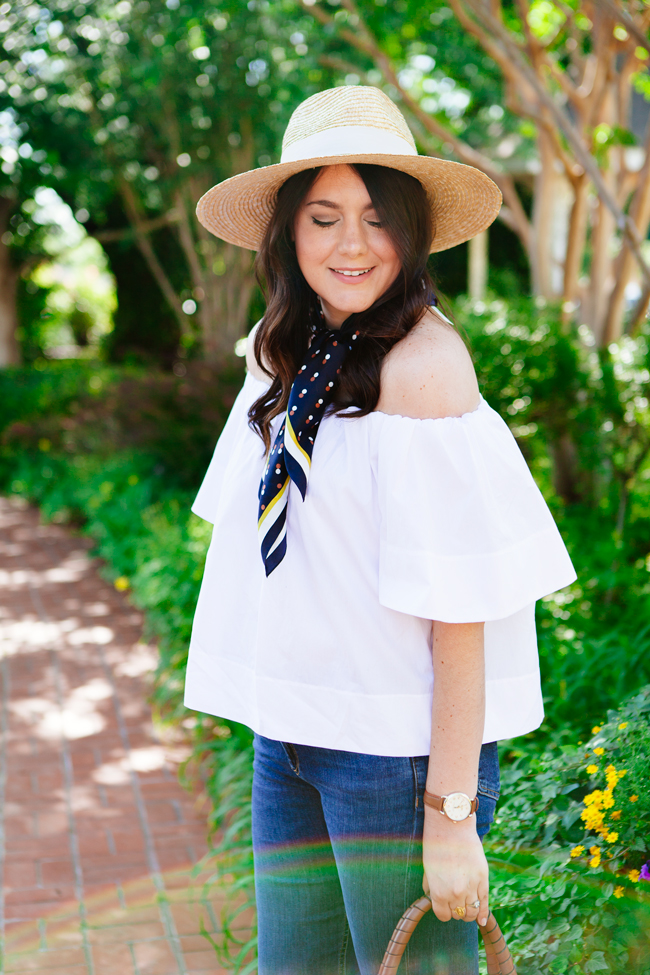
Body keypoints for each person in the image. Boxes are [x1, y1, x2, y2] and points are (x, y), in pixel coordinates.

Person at [185, 86, 576, 975]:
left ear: (413, 231)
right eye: (323, 218)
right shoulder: (278, 346)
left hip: (394, 761)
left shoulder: (427, 369)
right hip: (286, 735)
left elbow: (462, 613)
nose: (351, 245)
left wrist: (451, 817)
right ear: (287, 233)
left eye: (375, 217)